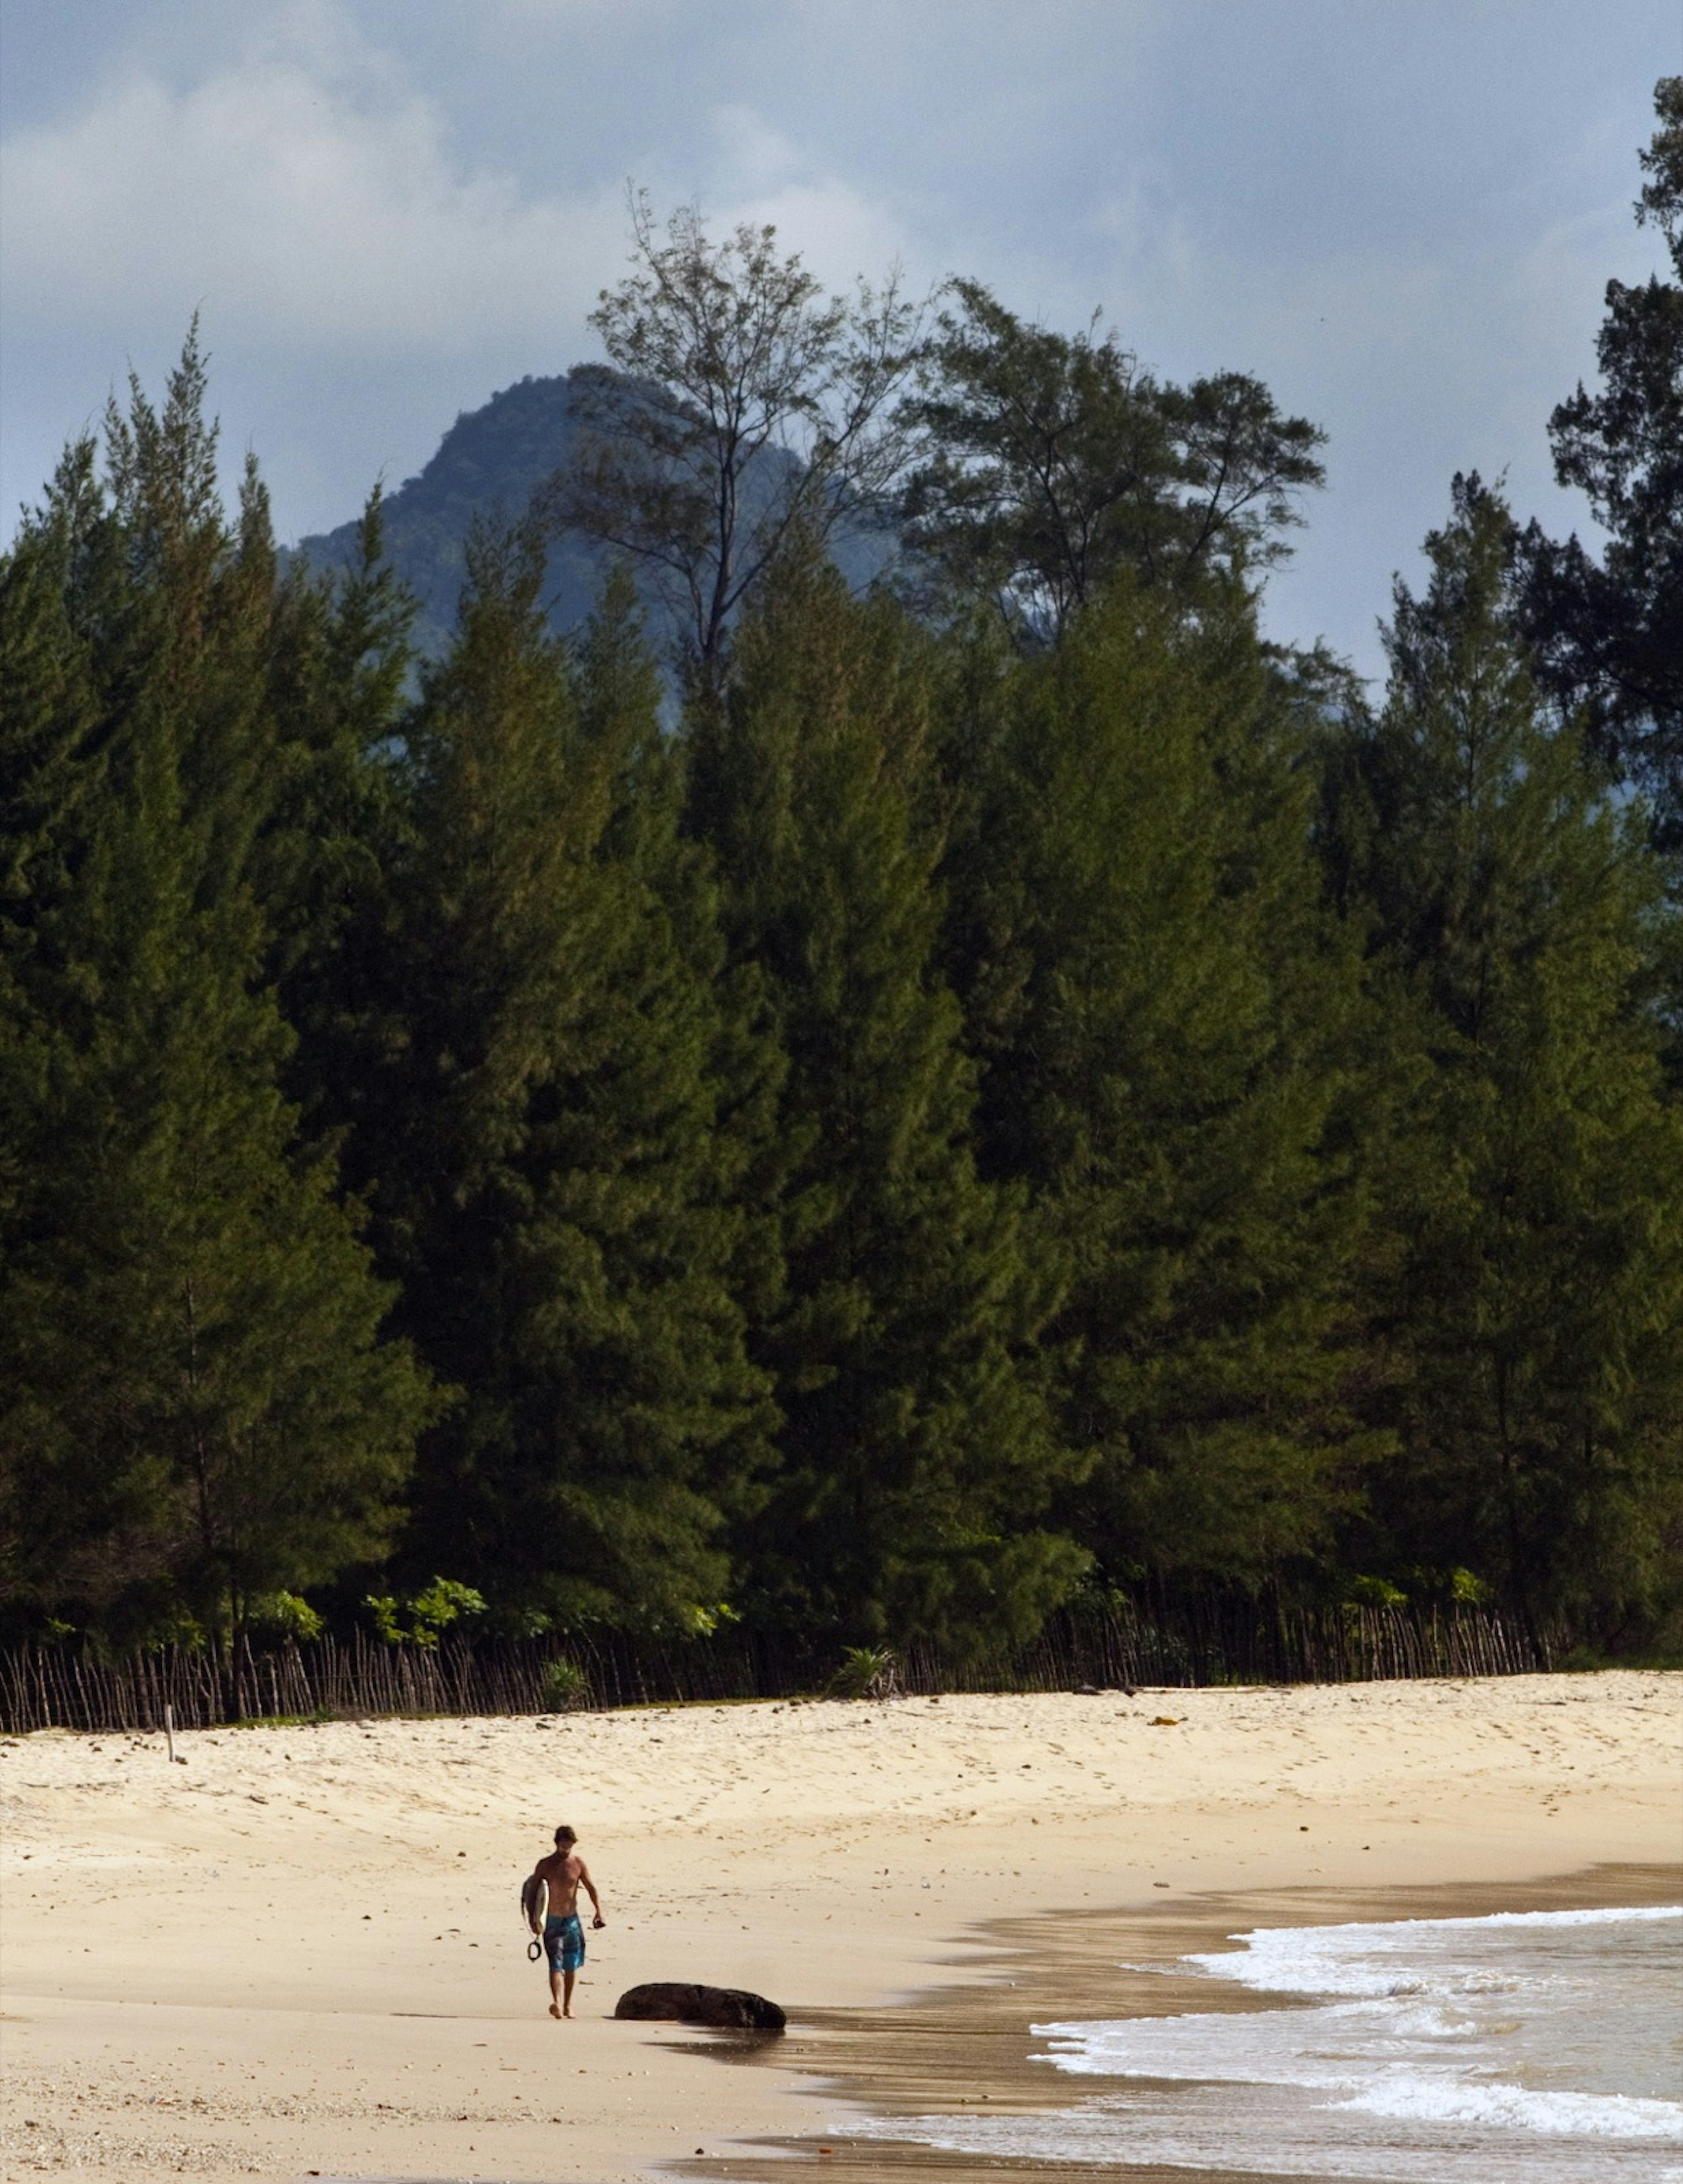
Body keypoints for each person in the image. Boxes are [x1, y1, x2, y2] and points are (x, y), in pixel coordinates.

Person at [528, 1825, 605, 2019]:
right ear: (557, 1843)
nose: (566, 1849)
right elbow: (532, 1892)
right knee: (555, 1963)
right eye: (563, 1845)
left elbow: (591, 1888)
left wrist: (599, 1912)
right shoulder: (545, 1865)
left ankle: (568, 2005)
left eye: (569, 1845)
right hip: (552, 1922)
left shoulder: (578, 1864)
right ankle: (557, 2003)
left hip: (572, 1921)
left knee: (571, 1965)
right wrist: (533, 1919)